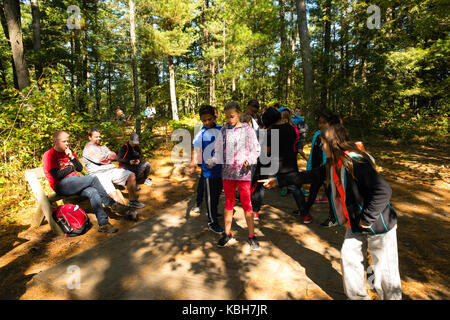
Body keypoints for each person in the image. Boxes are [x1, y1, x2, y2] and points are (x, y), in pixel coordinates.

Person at [260, 124, 402, 300]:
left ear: (334, 143)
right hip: (356, 225)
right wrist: (279, 181)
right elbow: (310, 175)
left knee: (384, 272)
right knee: (349, 259)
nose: (321, 147)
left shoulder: (355, 162)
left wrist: (366, 219)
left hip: (379, 226)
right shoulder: (333, 163)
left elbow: (383, 191)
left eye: (323, 143)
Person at [42, 131, 133, 233]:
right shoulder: (49, 155)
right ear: (55, 141)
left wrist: (72, 157)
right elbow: (57, 175)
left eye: (68, 141)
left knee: (93, 192)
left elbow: (80, 168)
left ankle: (103, 224)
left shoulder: (69, 151)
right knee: (93, 178)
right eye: (64, 141)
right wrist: (72, 167)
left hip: (76, 182)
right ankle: (112, 204)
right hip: (62, 186)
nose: (67, 143)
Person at [208, 101, 261, 250]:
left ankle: (252, 236)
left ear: (239, 114)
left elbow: (255, 149)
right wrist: (213, 160)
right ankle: (227, 233)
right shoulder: (224, 130)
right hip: (227, 173)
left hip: (243, 173)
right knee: (228, 202)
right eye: (227, 117)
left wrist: (249, 160)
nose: (229, 120)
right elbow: (218, 151)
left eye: (232, 116)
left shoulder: (247, 130)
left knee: (246, 203)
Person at [82, 128, 146, 210]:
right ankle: (126, 211)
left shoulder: (103, 147)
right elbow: (99, 159)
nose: (99, 138)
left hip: (111, 170)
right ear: (90, 137)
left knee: (131, 175)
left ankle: (132, 201)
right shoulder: (88, 148)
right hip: (99, 174)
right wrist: (107, 156)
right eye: (96, 137)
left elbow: (114, 155)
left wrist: (108, 156)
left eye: (99, 136)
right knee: (114, 194)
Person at [189, 105, 224, 234]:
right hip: (209, 172)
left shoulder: (221, 129)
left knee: (216, 195)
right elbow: (196, 149)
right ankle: (212, 221)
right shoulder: (201, 133)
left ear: (214, 117)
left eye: (209, 119)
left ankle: (214, 212)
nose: (207, 122)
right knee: (210, 197)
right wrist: (193, 163)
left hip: (221, 170)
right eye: (204, 120)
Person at [304, 110, 341, 227]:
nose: (320, 125)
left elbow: (332, 156)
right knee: (312, 191)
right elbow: (312, 153)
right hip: (316, 170)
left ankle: (333, 217)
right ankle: (304, 210)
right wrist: (309, 166)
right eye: (319, 122)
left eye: (323, 123)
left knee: (330, 194)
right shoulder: (316, 135)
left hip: (327, 171)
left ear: (330, 123)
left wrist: (329, 172)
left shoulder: (334, 137)